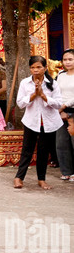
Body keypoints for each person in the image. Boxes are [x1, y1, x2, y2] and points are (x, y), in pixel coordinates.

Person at [14, 56, 63, 190]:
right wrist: (33, 95)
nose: (35, 70)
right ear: (30, 69)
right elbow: (20, 103)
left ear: (45, 68)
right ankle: (19, 178)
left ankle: (41, 179)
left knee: (43, 151)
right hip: (31, 121)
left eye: (39, 67)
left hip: (48, 122)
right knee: (26, 150)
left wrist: (43, 96)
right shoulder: (25, 83)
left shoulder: (52, 83)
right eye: (33, 67)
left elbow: (58, 104)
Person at [57, 49, 74, 181]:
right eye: (65, 60)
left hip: (72, 110)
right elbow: (56, 93)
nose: (67, 62)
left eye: (70, 59)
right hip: (60, 113)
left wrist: (65, 105)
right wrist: (60, 109)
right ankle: (66, 171)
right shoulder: (60, 75)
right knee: (62, 143)